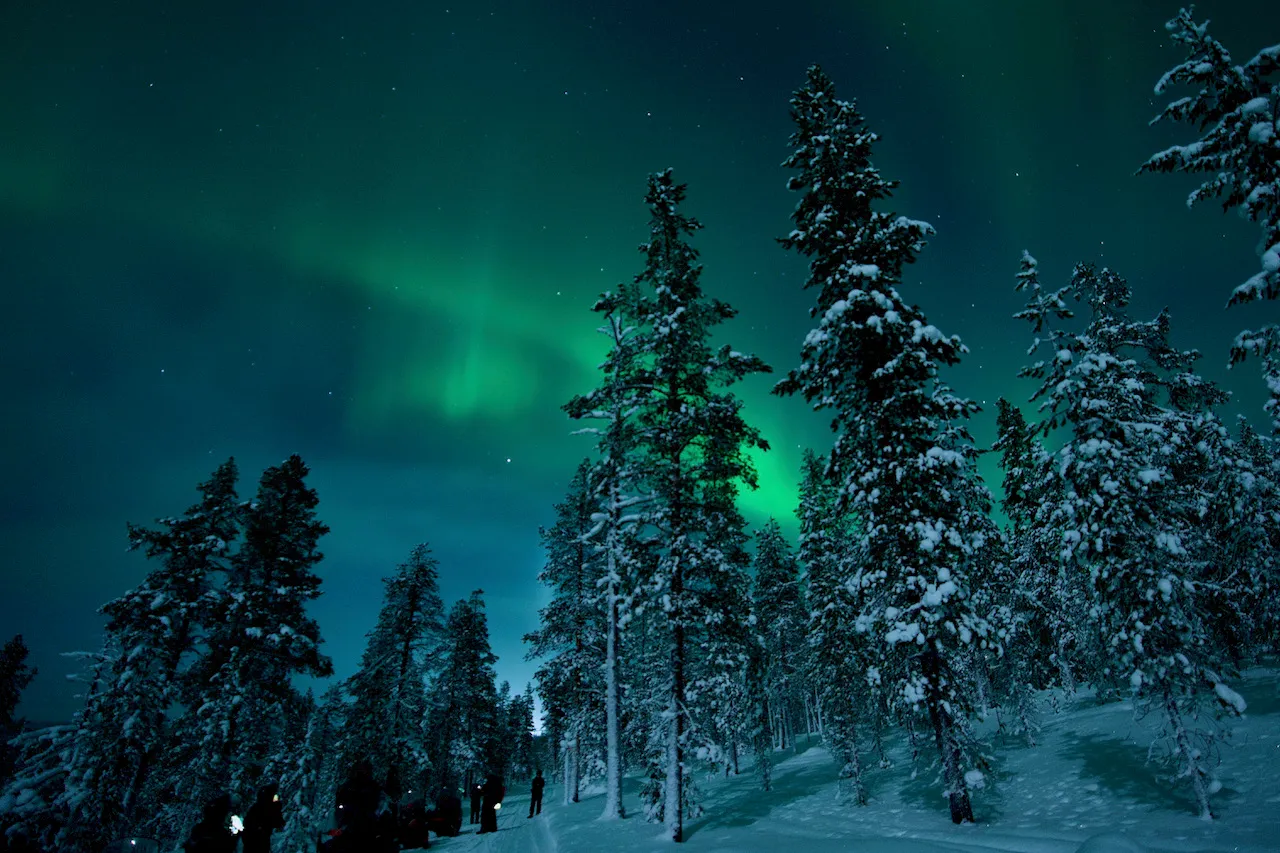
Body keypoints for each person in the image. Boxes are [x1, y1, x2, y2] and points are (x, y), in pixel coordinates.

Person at [335, 760, 382, 848]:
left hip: (368, 816)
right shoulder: (349, 785)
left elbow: (377, 799)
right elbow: (340, 799)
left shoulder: (372, 785)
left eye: (365, 770)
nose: (364, 772)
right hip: (352, 816)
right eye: (362, 770)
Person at [242, 783, 285, 853]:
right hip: (257, 839)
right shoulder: (266, 807)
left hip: (255, 839)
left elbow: (278, 822)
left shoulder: (257, 807)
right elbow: (277, 822)